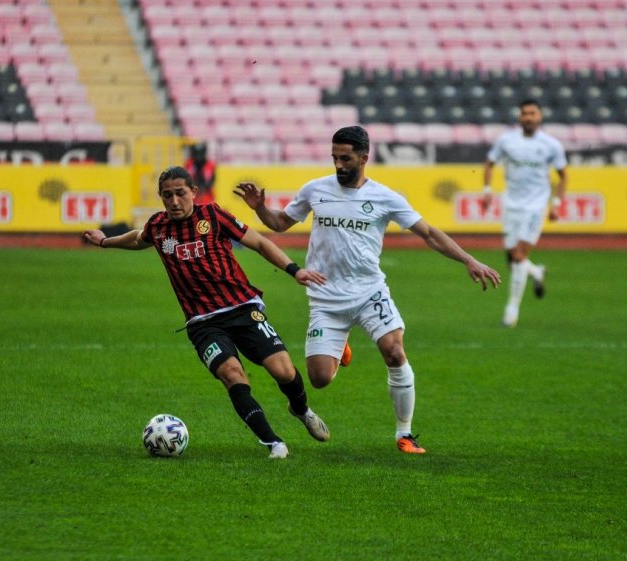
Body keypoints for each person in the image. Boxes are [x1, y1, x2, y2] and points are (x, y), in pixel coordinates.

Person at [234, 126, 500, 454]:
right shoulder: (315, 190)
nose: (339, 165)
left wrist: (468, 260)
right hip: (326, 297)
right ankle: (341, 344)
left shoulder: (385, 197)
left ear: (364, 157)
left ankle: (405, 434)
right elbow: (279, 223)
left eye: (345, 158)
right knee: (319, 379)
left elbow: (429, 233)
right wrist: (259, 207)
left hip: (369, 292)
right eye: (334, 158)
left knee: (395, 351)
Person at [83, 166, 329, 459]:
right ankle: (273, 443)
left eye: (180, 194)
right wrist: (104, 241)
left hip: (243, 308)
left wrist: (294, 270)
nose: (174, 201)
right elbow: (138, 238)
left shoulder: (213, 216)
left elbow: (260, 242)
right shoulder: (158, 226)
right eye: (167, 195)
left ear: (193, 193)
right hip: (203, 323)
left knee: (284, 371)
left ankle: (301, 410)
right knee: (233, 375)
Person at [481, 99, 568, 327]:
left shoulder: (551, 145)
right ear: (520, 117)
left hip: (535, 206)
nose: (528, 117)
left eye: (533, 113)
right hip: (511, 204)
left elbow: (563, 175)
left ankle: (511, 312)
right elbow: (489, 163)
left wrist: (556, 203)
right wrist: (487, 191)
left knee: (519, 256)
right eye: (525, 113)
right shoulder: (506, 140)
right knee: (513, 260)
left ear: (540, 116)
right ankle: (537, 272)